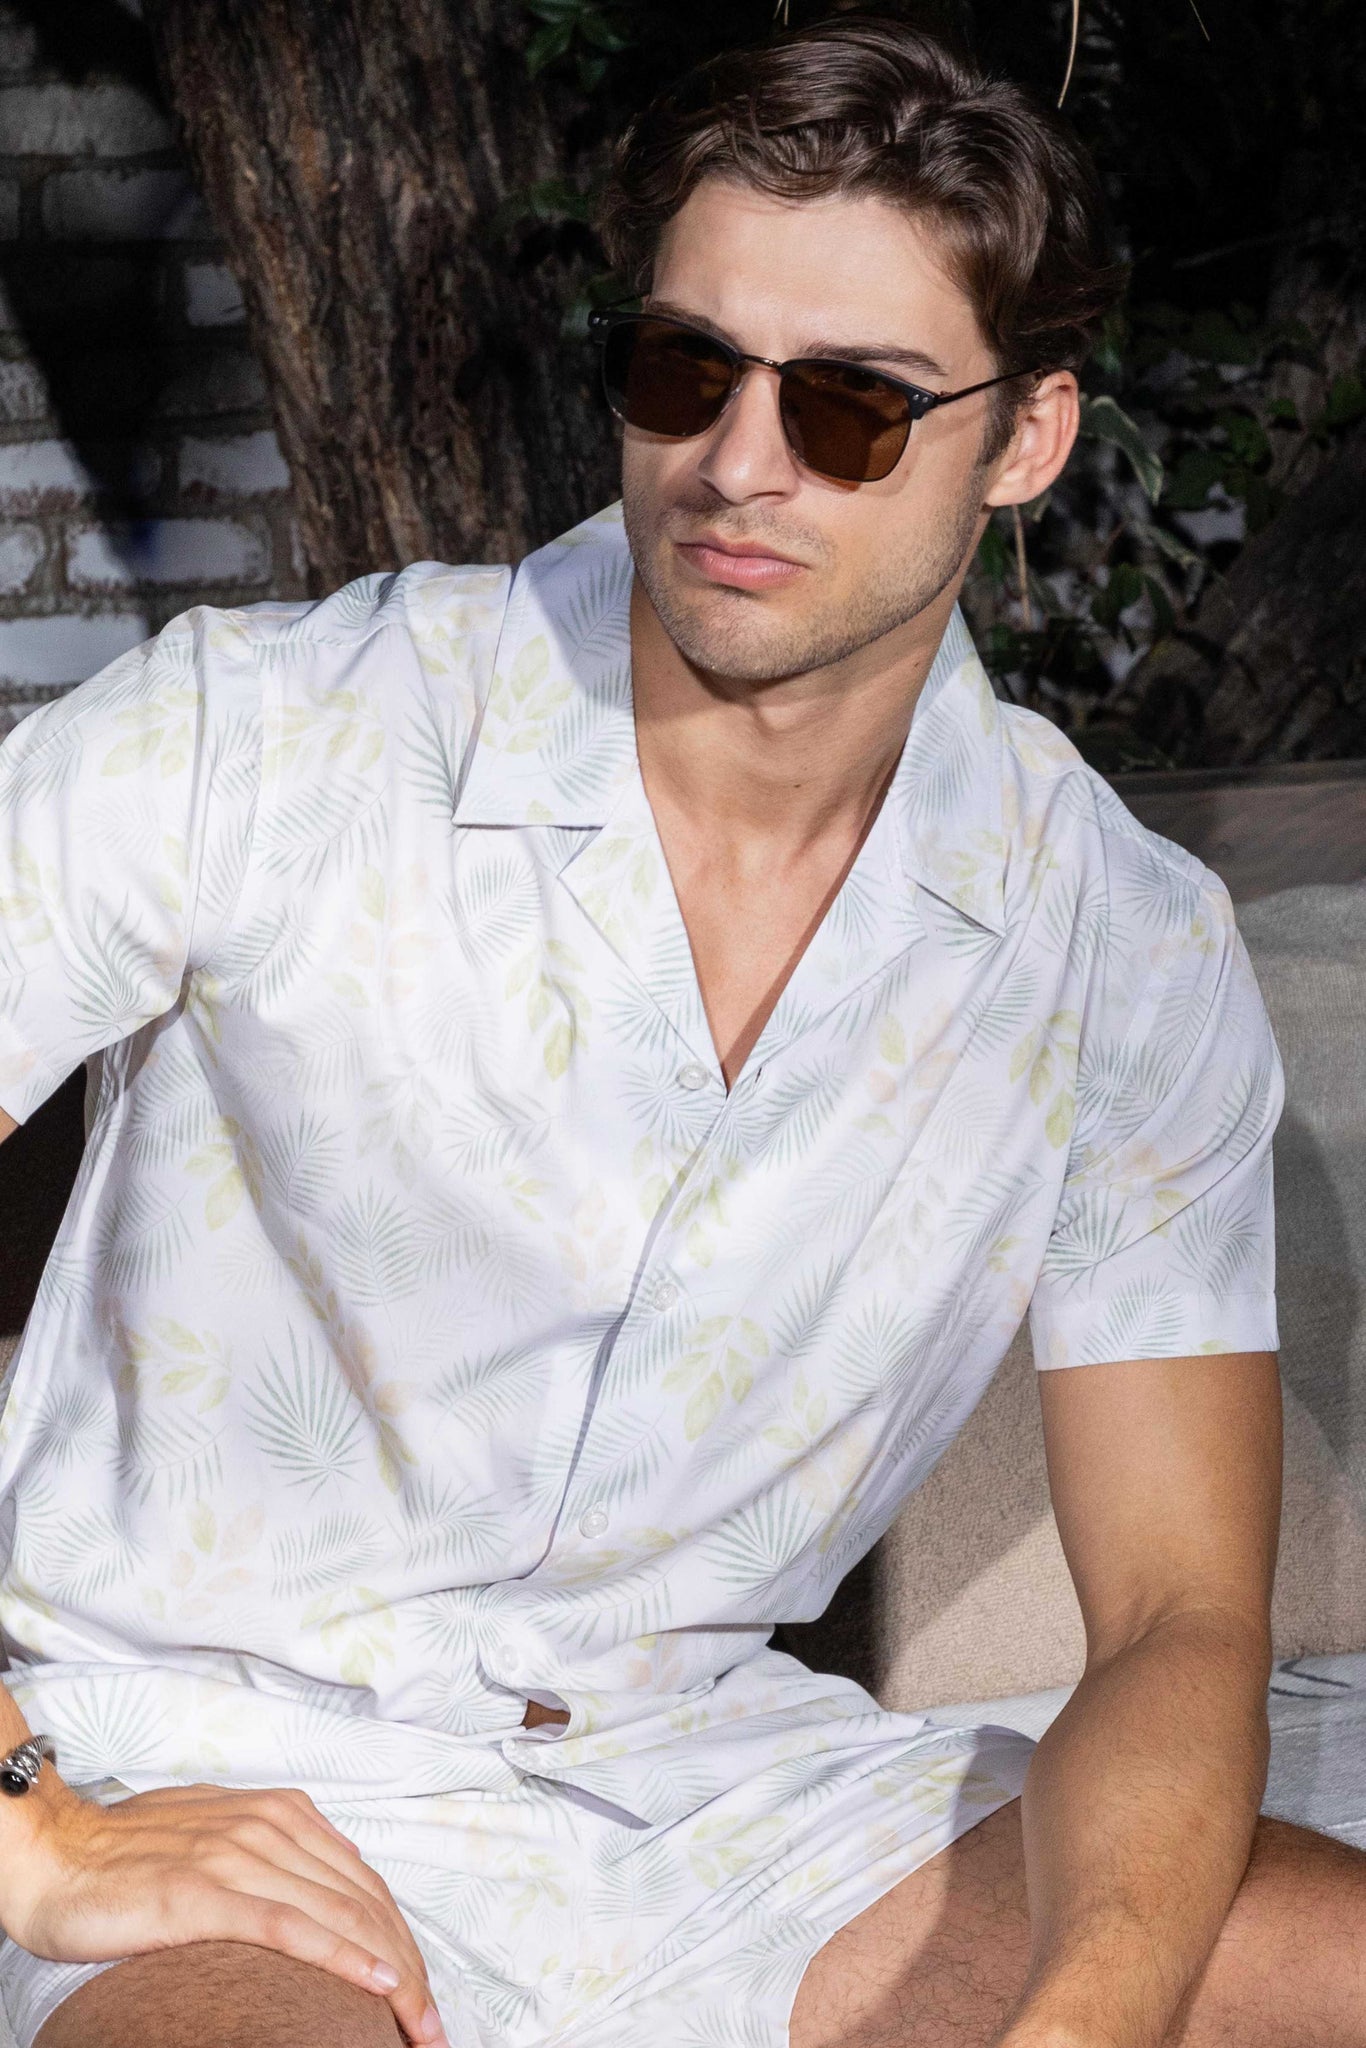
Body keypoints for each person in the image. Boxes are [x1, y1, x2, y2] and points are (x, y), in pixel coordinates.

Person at [0, 14, 1360, 2047]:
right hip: (185, 1752)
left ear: (1024, 440)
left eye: (852, 407)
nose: (737, 459)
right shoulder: (264, 740)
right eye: (681, 369)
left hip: (715, 1789)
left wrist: (1085, 2019)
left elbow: (1174, 1614)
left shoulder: (1113, 948)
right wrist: (29, 1828)